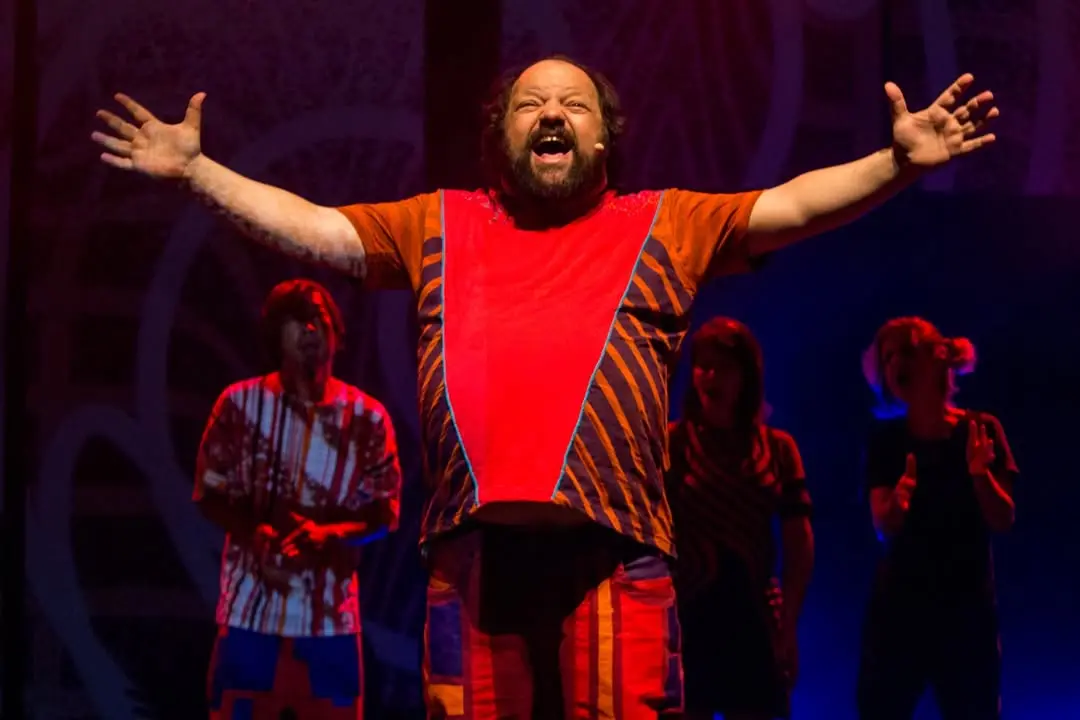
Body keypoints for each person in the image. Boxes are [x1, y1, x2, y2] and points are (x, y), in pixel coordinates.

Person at [94, 55, 998, 718]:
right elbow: (315, 228)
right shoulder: (438, 224)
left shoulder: (664, 225)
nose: (552, 114)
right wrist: (199, 173)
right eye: (530, 105)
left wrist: (897, 165)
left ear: (603, 137)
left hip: (615, 560)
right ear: (503, 136)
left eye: (573, 104)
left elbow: (794, 204)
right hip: (475, 565)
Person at [194, 279, 402, 719]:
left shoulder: (368, 418)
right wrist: (254, 532)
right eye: (296, 321)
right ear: (276, 335)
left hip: (330, 625)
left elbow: (386, 513)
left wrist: (329, 534)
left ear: (336, 333)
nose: (309, 330)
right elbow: (208, 494)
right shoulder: (238, 405)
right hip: (249, 619)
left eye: (318, 320)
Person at [856, 317, 1017, 720]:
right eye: (888, 357)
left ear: (940, 357)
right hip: (899, 614)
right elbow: (882, 526)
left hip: (966, 613)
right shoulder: (886, 441)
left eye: (907, 351)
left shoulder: (981, 429)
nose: (896, 364)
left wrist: (980, 476)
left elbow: (1003, 517)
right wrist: (897, 505)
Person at [667, 319, 813, 720]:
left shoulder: (777, 449)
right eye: (704, 365)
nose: (712, 376)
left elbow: (799, 544)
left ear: (746, 376)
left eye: (725, 367)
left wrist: (788, 626)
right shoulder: (673, 445)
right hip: (690, 617)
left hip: (754, 616)